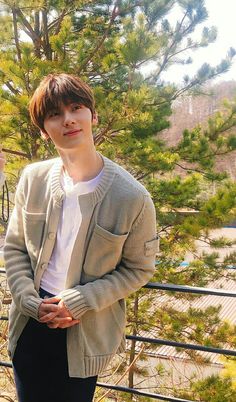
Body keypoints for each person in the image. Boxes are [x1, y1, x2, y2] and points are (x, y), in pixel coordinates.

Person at [4, 73, 158, 402]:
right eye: (54, 113)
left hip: (85, 331)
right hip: (29, 323)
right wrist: (27, 300)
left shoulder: (131, 197)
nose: (68, 119)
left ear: (93, 116)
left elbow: (139, 269)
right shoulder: (33, 179)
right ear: (45, 130)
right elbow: (15, 247)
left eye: (76, 107)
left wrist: (82, 300)